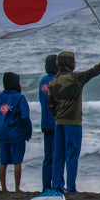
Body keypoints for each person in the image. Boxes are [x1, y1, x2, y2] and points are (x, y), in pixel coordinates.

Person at [47, 48, 100, 193]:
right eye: (73, 61)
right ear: (69, 63)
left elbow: (50, 106)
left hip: (59, 123)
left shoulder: (53, 82)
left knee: (58, 155)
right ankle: (71, 187)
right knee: (72, 155)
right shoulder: (75, 79)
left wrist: (58, 115)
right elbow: (96, 70)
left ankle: (56, 185)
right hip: (73, 123)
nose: (75, 63)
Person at [0, 72, 32, 192]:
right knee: (17, 161)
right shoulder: (20, 98)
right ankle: (17, 188)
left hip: (3, 134)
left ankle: (4, 188)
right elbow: (24, 117)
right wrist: (27, 132)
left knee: (3, 162)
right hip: (17, 134)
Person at [38, 54, 59, 192]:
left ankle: (46, 185)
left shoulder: (42, 81)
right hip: (57, 122)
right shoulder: (57, 80)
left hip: (45, 122)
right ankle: (58, 184)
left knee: (48, 156)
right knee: (58, 155)